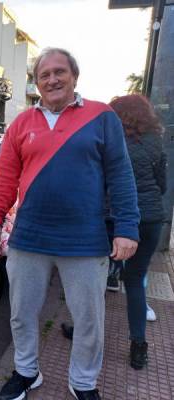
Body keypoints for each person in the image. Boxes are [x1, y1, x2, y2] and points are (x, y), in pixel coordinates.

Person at [0, 48, 140, 400]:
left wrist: (127, 228)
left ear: (74, 76)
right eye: (44, 75)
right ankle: (26, 372)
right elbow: (6, 176)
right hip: (29, 238)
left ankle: (82, 382)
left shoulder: (102, 116)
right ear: (36, 83)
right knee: (22, 314)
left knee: (89, 320)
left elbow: (121, 175)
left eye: (60, 72)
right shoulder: (22, 123)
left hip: (85, 241)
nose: (52, 79)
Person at [109, 94, 167, 368]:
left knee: (96, 276)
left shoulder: (113, 143)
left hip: (116, 219)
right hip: (151, 219)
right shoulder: (157, 144)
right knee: (135, 281)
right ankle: (138, 346)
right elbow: (162, 185)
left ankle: (84, 331)